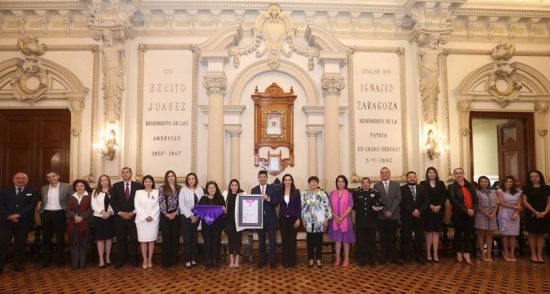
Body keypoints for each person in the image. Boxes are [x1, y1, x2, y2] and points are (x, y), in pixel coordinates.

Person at [0, 172, 39, 273]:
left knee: (20, 245)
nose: (20, 180)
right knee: (2, 244)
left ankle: (18, 265)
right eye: (18, 178)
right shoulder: (5, 190)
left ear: (27, 180)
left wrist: (18, 215)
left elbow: (32, 205)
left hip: (24, 222)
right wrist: (9, 216)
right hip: (6, 222)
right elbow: (1, 205)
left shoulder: (33, 190)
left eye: (23, 178)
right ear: (13, 179)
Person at [111, 167, 144, 268]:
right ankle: (121, 260)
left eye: (127, 172)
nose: (125, 174)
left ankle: (134, 260)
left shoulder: (138, 186)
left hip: (134, 217)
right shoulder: (116, 186)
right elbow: (113, 202)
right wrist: (120, 213)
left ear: (131, 174)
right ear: (121, 175)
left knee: (134, 240)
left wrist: (133, 212)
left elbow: (141, 202)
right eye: (123, 173)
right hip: (120, 218)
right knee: (121, 240)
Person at [39, 170, 73, 267]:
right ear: (47, 179)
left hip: (60, 214)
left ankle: (60, 260)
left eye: (53, 176)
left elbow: (72, 199)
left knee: (60, 238)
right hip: (46, 214)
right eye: (49, 177)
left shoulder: (66, 186)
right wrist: (40, 209)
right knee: (46, 238)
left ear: (58, 176)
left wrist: (68, 210)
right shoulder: (44, 188)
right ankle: (46, 260)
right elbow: (41, 200)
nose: (51, 178)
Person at [374, 167, 403, 265]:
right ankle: (384, 256)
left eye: (386, 172)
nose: (385, 174)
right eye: (382, 173)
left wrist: (390, 211)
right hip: (382, 216)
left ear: (389, 174)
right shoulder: (376, 185)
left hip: (393, 215)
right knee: (383, 238)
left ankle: (394, 256)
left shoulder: (396, 184)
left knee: (392, 238)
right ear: (380, 174)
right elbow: (377, 201)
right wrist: (385, 211)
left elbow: (398, 199)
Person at [251, 170, 280, 269]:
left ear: (267, 178)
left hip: (271, 219)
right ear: (258, 178)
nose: (262, 178)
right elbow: (251, 205)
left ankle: (273, 261)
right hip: (259, 219)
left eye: (264, 177)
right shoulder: (254, 190)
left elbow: (276, 202)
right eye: (260, 177)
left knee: (272, 241)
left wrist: (268, 198)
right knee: (261, 241)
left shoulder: (272, 188)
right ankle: (262, 260)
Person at [448, 168, 478, 265]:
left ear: (463, 174)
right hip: (458, 214)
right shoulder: (452, 186)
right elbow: (453, 200)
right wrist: (466, 210)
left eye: (460, 173)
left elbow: (476, 199)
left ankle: (467, 254)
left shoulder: (470, 185)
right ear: (454, 175)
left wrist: (473, 209)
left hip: (470, 214)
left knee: (467, 235)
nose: (459, 175)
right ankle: (458, 253)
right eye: (456, 173)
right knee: (458, 234)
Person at [301, 176, 332, 268]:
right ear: (309, 183)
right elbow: (302, 208)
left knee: (319, 241)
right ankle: (310, 259)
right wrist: (303, 220)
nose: (313, 183)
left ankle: (318, 259)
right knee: (310, 241)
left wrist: (326, 220)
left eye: (315, 182)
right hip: (308, 221)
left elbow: (327, 207)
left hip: (320, 221)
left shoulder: (322, 194)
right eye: (311, 182)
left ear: (317, 183)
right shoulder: (304, 194)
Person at [400, 171, 429, 265]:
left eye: (414, 177)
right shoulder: (402, 189)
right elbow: (402, 202)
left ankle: (419, 256)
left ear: (416, 178)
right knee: (406, 237)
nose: (412, 178)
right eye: (410, 177)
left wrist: (419, 210)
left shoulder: (422, 188)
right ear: (406, 179)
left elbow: (426, 201)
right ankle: (407, 256)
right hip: (407, 217)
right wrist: (412, 211)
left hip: (420, 216)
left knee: (419, 237)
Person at [522, 170, 550, 263]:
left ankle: (539, 254)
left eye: (536, 176)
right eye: (532, 176)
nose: (534, 178)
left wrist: (544, 212)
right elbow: (525, 202)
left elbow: (549, 202)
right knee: (532, 234)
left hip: (544, 213)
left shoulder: (546, 188)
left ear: (540, 177)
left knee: (541, 234)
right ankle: (533, 254)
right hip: (531, 213)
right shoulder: (526, 188)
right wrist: (535, 211)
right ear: (529, 178)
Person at [353, 177, 382, 267]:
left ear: (370, 184)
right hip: (361, 220)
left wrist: (377, 209)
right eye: (363, 183)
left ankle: (371, 259)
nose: (365, 184)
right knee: (361, 241)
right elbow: (353, 206)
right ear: (361, 184)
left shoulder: (375, 193)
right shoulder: (356, 193)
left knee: (371, 241)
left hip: (371, 220)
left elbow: (378, 204)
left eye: (367, 182)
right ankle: (362, 259)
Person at [420, 167, 447, 262]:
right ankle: (428, 252)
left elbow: (444, 196)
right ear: (427, 174)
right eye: (430, 172)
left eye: (433, 172)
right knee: (429, 232)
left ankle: (435, 253)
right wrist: (430, 206)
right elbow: (423, 197)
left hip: (440, 210)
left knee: (436, 232)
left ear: (436, 174)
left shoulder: (441, 183)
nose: (432, 174)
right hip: (428, 211)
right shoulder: (423, 184)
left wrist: (439, 206)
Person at [328, 175, 355, 268]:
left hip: (346, 220)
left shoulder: (349, 194)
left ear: (345, 183)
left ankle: (346, 258)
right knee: (337, 240)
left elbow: (350, 207)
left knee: (346, 241)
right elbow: (329, 207)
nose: (340, 183)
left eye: (342, 181)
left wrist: (341, 217)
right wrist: (336, 217)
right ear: (336, 183)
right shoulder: (332, 193)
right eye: (338, 181)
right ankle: (338, 258)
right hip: (335, 220)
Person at [198, 181, 226, 270]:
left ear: (216, 188)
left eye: (213, 187)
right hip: (206, 225)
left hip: (217, 225)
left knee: (216, 242)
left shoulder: (220, 198)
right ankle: (207, 261)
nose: (211, 189)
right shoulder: (203, 198)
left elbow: (224, 211)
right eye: (210, 188)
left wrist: (224, 209)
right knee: (207, 243)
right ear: (207, 189)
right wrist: (194, 207)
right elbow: (199, 210)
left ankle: (215, 261)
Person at [178, 172, 204, 268]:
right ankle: (188, 259)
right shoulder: (183, 190)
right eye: (189, 179)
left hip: (197, 217)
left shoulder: (200, 189)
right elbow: (181, 205)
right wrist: (191, 216)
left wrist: (197, 216)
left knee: (194, 238)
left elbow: (202, 203)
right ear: (187, 180)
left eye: (193, 178)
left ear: (195, 180)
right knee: (187, 239)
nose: (191, 180)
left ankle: (193, 258)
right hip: (186, 217)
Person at [135, 175, 160, 269]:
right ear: (143, 183)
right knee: (143, 241)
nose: (148, 183)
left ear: (152, 182)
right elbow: (137, 206)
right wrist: (145, 216)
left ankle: (150, 259)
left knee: (151, 240)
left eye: (150, 181)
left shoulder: (157, 192)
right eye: (146, 181)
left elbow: (158, 205)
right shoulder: (138, 192)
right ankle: (145, 260)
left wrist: (152, 216)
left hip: (153, 220)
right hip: (141, 220)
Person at [66, 179, 92, 269]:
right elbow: (67, 209)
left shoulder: (89, 196)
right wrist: (74, 216)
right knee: (74, 242)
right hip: (72, 223)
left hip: (85, 223)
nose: (79, 187)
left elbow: (91, 209)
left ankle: (82, 264)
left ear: (85, 187)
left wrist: (82, 217)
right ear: (75, 187)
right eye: (77, 186)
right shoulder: (71, 196)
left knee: (83, 243)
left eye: (81, 186)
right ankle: (75, 263)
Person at [91, 175, 115, 268]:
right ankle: (101, 259)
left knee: (109, 238)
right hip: (98, 217)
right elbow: (93, 205)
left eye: (105, 180)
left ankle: (108, 258)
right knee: (100, 239)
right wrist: (102, 212)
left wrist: (109, 212)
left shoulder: (113, 191)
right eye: (102, 180)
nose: (104, 182)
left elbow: (115, 203)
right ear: (99, 182)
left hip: (110, 217)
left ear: (108, 181)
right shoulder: (95, 192)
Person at [496, 176, 522, 262]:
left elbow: (519, 205)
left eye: (510, 181)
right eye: (506, 181)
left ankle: (512, 253)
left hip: (514, 214)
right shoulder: (499, 191)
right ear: (503, 183)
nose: (508, 183)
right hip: (504, 213)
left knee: (513, 235)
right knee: (505, 234)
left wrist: (516, 213)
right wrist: (515, 207)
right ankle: (506, 252)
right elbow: (502, 204)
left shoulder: (518, 192)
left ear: (513, 183)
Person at [158, 170, 181, 269]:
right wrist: (167, 214)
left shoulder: (180, 188)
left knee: (175, 239)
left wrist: (175, 213)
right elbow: (161, 202)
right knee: (166, 239)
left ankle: (174, 261)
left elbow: (181, 203)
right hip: (165, 217)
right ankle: (166, 262)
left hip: (176, 216)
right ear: (166, 178)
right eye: (168, 176)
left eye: (172, 176)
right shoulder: (162, 188)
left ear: (175, 177)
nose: (171, 178)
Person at [278, 174, 301, 268]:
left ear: (292, 181)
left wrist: (299, 219)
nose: (287, 181)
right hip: (283, 219)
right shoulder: (280, 191)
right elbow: (274, 201)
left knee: (292, 240)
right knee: (285, 240)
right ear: (283, 181)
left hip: (293, 219)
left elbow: (299, 207)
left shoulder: (296, 192)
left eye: (289, 180)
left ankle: (292, 261)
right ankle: (285, 261)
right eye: (286, 180)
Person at [474, 176, 498, 262]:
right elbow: (477, 205)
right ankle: (483, 254)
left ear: (488, 182)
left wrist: (493, 213)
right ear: (479, 183)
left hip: (492, 215)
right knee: (481, 235)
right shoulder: (477, 192)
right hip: (481, 214)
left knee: (490, 235)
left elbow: (496, 204)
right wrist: (486, 213)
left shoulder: (493, 192)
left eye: (486, 181)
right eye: (482, 182)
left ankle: (489, 254)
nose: (484, 183)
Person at [225, 179, 244, 268]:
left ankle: (237, 259)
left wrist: (242, 195)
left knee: (238, 240)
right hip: (228, 221)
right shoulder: (225, 195)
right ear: (230, 186)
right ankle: (231, 259)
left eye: (236, 185)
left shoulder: (242, 194)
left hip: (239, 222)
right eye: (232, 185)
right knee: (231, 240)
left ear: (238, 186)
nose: (234, 187)